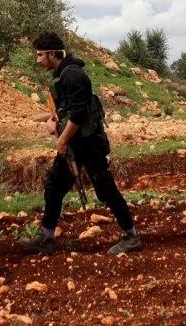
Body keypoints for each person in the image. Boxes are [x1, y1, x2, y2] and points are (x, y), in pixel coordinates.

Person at [18, 31, 142, 256]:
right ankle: (46, 237)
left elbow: (79, 113)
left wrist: (62, 140)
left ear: (52, 54)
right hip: (76, 143)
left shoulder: (72, 75)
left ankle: (131, 236)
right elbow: (66, 109)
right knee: (54, 186)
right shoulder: (63, 73)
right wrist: (52, 120)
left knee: (106, 189)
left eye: (40, 55)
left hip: (87, 144)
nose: (37, 60)